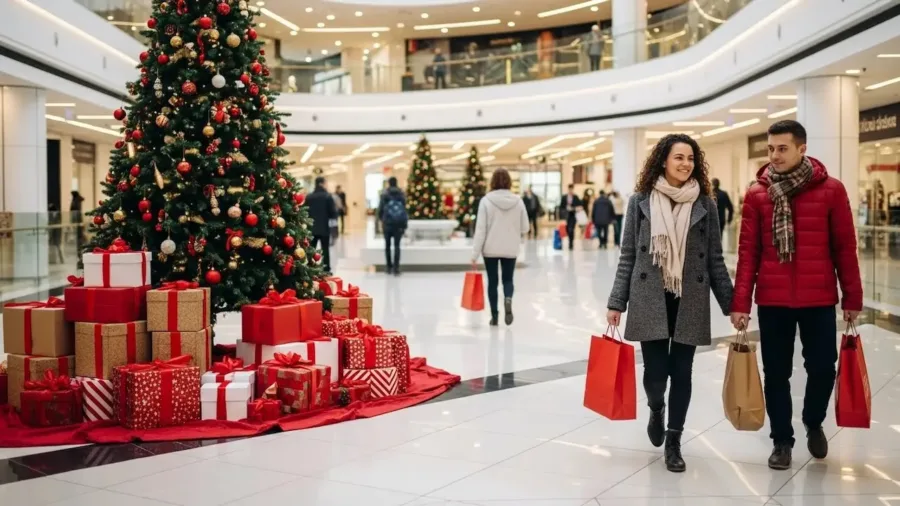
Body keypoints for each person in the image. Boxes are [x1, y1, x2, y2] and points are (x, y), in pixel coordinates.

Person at [730, 120, 863, 471]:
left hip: (819, 299)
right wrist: (740, 303)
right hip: (773, 301)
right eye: (770, 148)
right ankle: (781, 440)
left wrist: (852, 298)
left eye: (782, 148)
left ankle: (813, 419)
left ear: (802, 148)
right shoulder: (758, 194)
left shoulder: (832, 190)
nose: (774, 155)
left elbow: (845, 248)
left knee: (822, 368)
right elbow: (748, 254)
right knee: (776, 374)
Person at [607, 134, 733, 473]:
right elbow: (629, 255)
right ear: (663, 160)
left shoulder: (705, 204)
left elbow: (716, 259)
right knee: (656, 374)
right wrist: (617, 301)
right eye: (679, 157)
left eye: (690, 158)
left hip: (689, 296)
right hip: (650, 295)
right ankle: (655, 407)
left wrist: (731, 304)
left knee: (682, 372)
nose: (685, 164)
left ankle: (674, 439)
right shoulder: (640, 202)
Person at [472, 168, 529, 326]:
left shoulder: (486, 201)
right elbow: (525, 227)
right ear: (509, 182)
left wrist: (474, 254)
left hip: (490, 248)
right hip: (510, 248)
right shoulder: (518, 201)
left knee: (492, 281)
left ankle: (494, 316)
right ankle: (508, 299)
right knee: (508, 279)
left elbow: (481, 230)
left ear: (493, 182)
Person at [304, 176, 338, 273]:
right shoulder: (327, 196)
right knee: (325, 249)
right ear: (322, 183)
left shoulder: (309, 197)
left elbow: (305, 212)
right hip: (324, 227)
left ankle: (310, 268)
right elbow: (333, 212)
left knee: (311, 249)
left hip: (311, 228)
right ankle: (326, 268)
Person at [378, 177, 408, 275]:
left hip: (387, 223)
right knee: (397, 246)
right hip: (398, 224)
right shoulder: (401, 194)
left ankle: (388, 267)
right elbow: (404, 209)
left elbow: (380, 210)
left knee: (387, 246)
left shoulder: (385, 194)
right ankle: (396, 268)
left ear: (389, 183)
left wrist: (381, 220)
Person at [559, 185, 583, 250]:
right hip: (566, 216)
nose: (571, 191)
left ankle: (571, 243)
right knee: (567, 229)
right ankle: (569, 240)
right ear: (568, 189)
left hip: (573, 216)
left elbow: (580, 206)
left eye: (572, 189)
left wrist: (573, 208)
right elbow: (561, 207)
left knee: (571, 229)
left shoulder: (576, 197)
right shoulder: (564, 197)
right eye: (570, 189)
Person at [69, 190, 85, 256]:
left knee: (79, 236)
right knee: (79, 236)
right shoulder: (77, 200)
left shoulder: (75, 200)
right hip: (78, 220)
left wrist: (72, 221)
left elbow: (72, 210)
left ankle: (79, 250)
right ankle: (79, 249)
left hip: (77, 221)